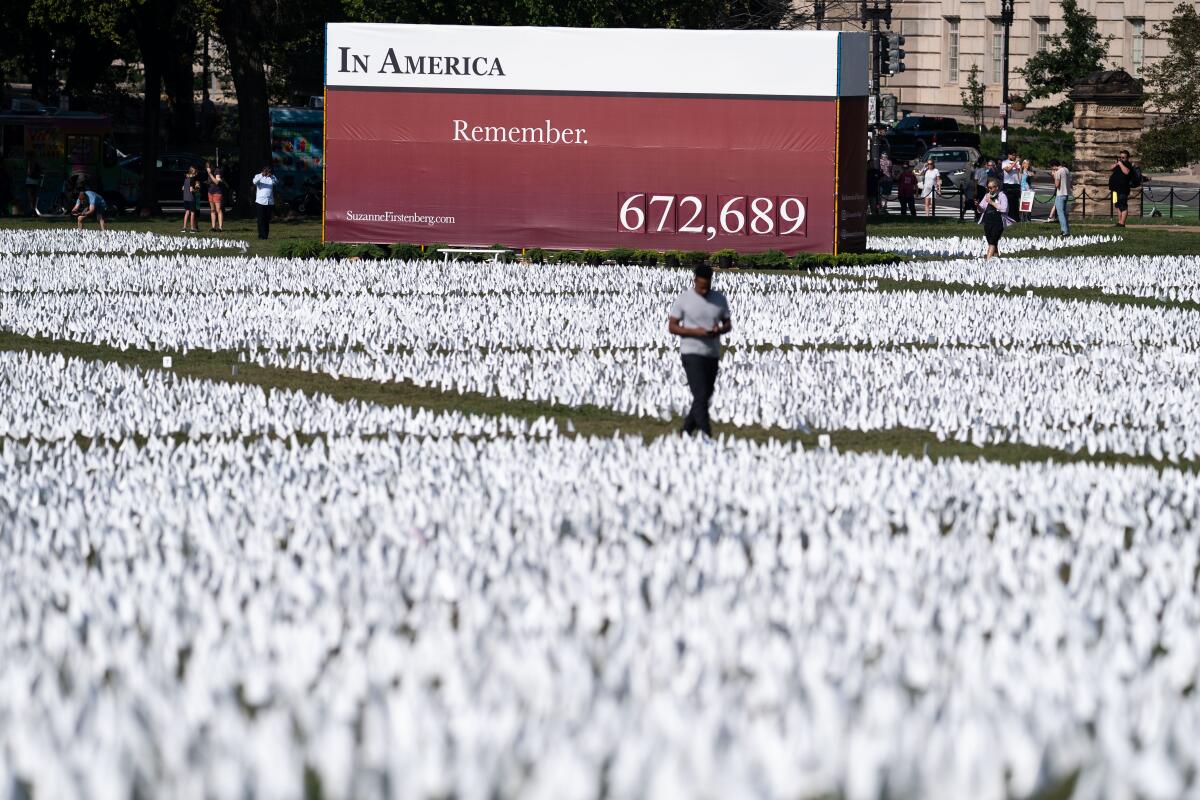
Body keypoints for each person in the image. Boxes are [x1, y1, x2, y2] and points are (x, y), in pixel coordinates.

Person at [668, 264, 732, 437]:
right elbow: (672, 327)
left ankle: (686, 431)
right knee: (701, 394)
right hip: (691, 352)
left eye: (707, 287)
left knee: (705, 396)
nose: (704, 291)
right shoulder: (684, 299)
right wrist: (694, 332)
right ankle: (706, 434)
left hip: (711, 353)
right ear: (694, 281)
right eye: (701, 286)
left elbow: (727, 324)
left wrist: (719, 330)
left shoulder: (719, 299)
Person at [977, 177, 1013, 259]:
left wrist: (992, 202)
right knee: (991, 241)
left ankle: (988, 260)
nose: (989, 189)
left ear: (996, 187)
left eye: (991, 187)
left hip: (998, 221)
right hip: (988, 221)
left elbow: (1004, 208)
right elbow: (981, 209)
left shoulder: (1002, 196)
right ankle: (996, 257)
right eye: (988, 187)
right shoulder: (987, 196)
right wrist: (977, 205)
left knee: (992, 241)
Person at [1108, 149, 1141, 227]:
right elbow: (1110, 168)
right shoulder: (1118, 164)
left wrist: (1121, 164)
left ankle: (1122, 223)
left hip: (1122, 189)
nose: (1121, 159)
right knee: (1118, 205)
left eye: (1123, 158)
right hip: (1114, 188)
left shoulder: (1128, 164)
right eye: (1120, 157)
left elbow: (1126, 172)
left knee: (1123, 206)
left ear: (1127, 158)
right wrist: (1117, 164)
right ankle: (1119, 222)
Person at [252, 164, 278, 240]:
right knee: (260, 219)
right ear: (263, 171)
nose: (267, 172)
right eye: (266, 171)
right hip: (260, 201)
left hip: (269, 202)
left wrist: (271, 176)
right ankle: (261, 235)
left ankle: (265, 235)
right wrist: (262, 175)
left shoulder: (272, 177)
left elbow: (276, 183)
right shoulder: (258, 176)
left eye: (268, 171)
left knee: (266, 219)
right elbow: (254, 182)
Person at [1048, 159, 1072, 237]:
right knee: (1064, 213)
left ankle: (1065, 231)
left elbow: (1057, 185)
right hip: (1066, 194)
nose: (1053, 169)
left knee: (1060, 214)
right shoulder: (1066, 170)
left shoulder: (1058, 172)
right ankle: (1065, 230)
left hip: (1060, 194)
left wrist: (1054, 175)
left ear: (1054, 166)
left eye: (1052, 168)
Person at [205, 162, 226, 232]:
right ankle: (213, 227)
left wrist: (210, 174)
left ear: (212, 166)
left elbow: (216, 182)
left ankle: (220, 227)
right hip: (210, 192)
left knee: (218, 210)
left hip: (217, 192)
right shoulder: (209, 172)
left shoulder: (217, 171)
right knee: (212, 210)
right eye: (207, 168)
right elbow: (210, 181)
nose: (208, 169)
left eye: (209, 167)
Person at [1000, 151, 1021, 220]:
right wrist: (1014, 163)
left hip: (1016, 184)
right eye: (1013, 155)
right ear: (1009, 155)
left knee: (1015, 201)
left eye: (1015, 155)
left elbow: (1019, 172)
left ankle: (1016, 217)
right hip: (1008, 184)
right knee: (1008, 201)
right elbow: (1008, 170)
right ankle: (1009, 217)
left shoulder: (1017, 163)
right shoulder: (1005, 162)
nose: (1014, 157)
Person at [181, 166, 201, 233]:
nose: (196, 174)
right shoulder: (192, 179)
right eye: (195, 173)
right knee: (192, 213)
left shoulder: (186, 178)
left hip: (185, 198)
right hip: (191, 198)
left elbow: (183, 188)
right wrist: (197, 189)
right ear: (193, 172)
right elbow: (191, 189)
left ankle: (184, 227)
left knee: (187, 212)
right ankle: (192, 228)